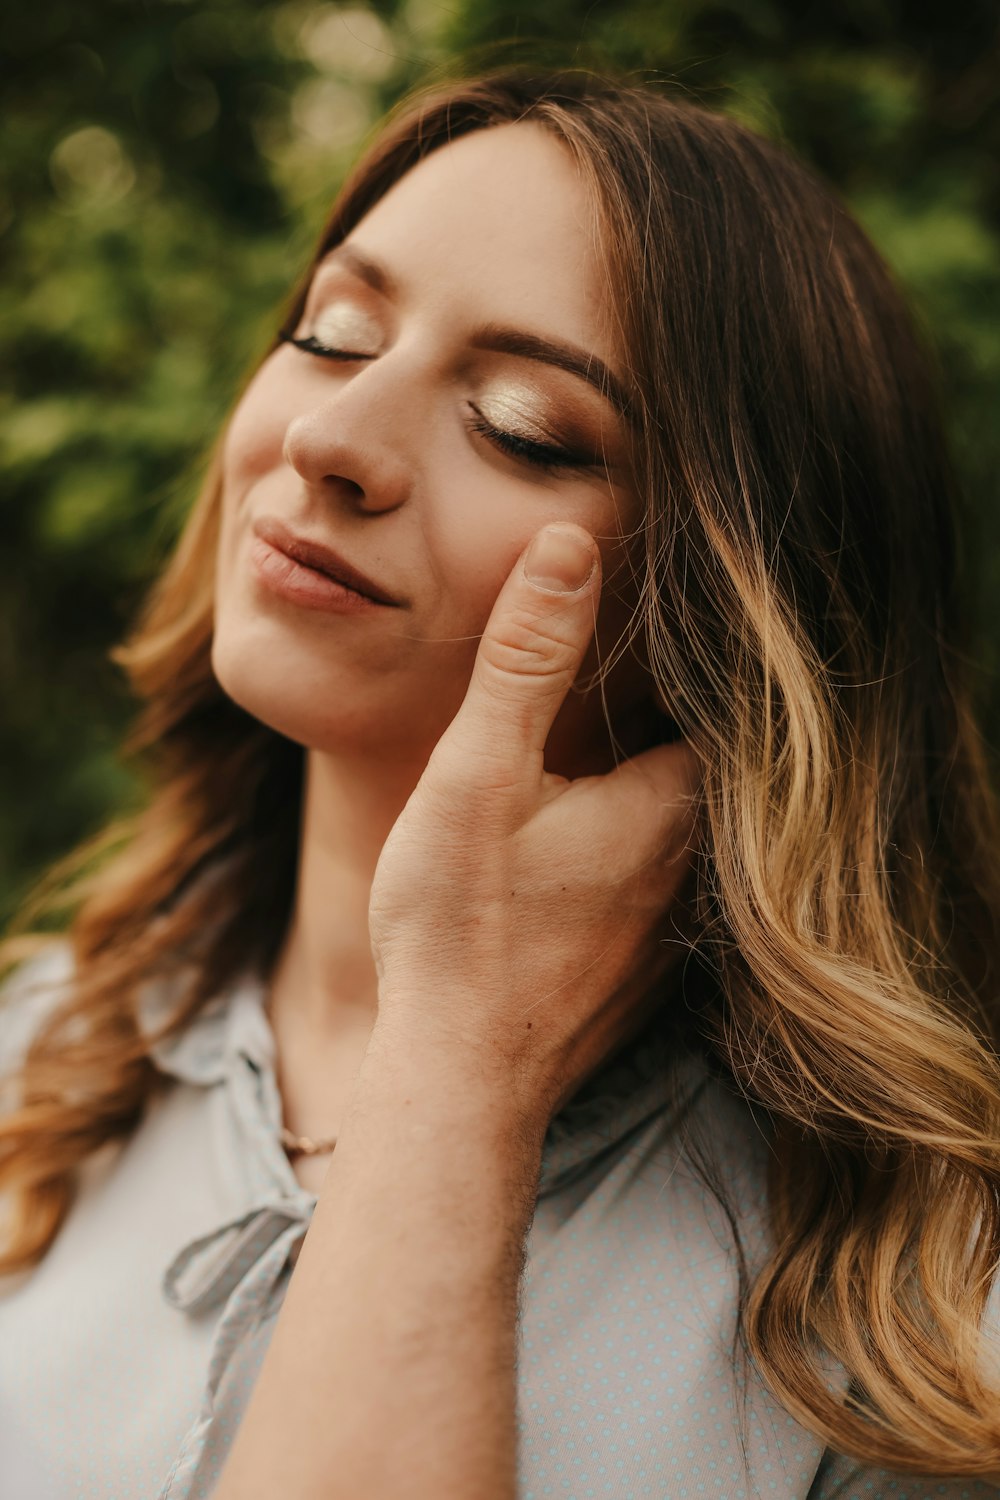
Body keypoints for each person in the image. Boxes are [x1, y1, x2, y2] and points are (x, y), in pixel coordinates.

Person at [1, 67, 999, 1499]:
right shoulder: (33, 1063)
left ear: (730, 622)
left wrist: (461, 1058)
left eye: (525, 427)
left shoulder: (922, 1346)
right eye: (333, 335)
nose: (331, 444)